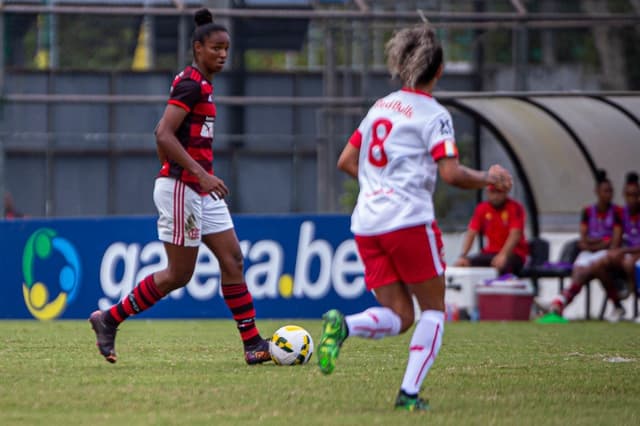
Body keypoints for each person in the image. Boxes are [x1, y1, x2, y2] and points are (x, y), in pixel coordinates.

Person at [316, 24, 513, 412]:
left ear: (404, 65)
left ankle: (345, 326)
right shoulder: (433, 114)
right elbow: (452, 173)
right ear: (438, 71)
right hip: (407, 221)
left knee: (400, 315)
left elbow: (346, 161)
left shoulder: (381, 106)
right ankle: (408, 394)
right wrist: (488, 177)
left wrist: (380, 184)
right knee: (434, 310)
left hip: (368, 223)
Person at [89, 8, 271, 365]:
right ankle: (109, 319)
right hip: (182, 189)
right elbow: (162, 133)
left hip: (200, 190)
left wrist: (198, 176)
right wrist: (196, 174)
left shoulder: (202, 84)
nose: (223, 54)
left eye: (227, 49)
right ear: (198, 47)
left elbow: (168, 138)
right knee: (179, 274)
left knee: (233, 258)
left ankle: (252, 344)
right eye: (216, 47)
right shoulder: (190, 84)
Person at [548, 169, 622, 317]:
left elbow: (614, 241)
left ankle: (560, 301)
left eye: (611, 191)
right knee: (580, 272)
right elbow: (583, 241)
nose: (609, 194)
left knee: (593, 268)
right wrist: (601, 242)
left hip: (605, 254)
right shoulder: (588, 211)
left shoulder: (616, 212)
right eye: (605, 191)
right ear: (597, 192)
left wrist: (596, 243)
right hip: (590, 252)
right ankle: (559, 304)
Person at [586, 172, 640, 322]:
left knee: (632, 265)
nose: (632, 199)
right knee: (598, 265)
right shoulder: (621, 214)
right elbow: (616, 238)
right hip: (627, 253)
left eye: (635, 195)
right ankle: (617, 304)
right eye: (628, 195)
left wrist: (623, 251)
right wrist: (613, 252)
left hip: (634, 254)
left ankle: (635, 298)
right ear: (623, 195)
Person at [454, 185, 529, 275]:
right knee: (462, 265)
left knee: (502, 265)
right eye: (492, 192)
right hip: (490, 253)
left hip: (514, 254)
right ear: (487, 193)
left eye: (499, 192)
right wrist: (463, 256)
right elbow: (471, 233)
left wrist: (503, 255)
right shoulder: (482, 208)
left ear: (506, 193)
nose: (495, 196)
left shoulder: (515, 208)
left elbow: (515, 234)